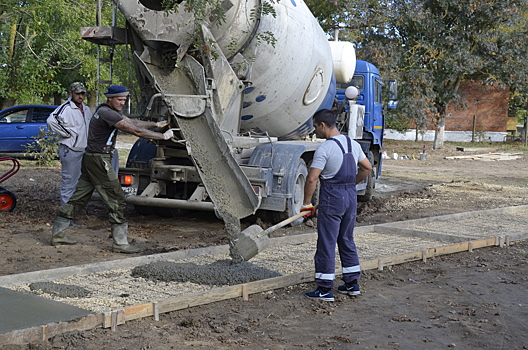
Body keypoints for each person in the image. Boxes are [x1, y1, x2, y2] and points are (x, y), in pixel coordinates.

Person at [50, 85, 173, 254]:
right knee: (116, 198)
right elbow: (134, 130)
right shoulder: (108, 113)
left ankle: (58, 233)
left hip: (91, 158)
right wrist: (163, 136)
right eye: (119, 100)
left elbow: (132, 122)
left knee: (79, 197)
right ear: (110, 98)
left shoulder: (105, 110)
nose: (122, 103)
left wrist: (156, 125)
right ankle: (120, 242)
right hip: (100, 160)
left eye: (124, 100)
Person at [302, 109, 372, 301]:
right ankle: (352, 283)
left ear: (322, 125)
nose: (315, 131)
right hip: (350, 197)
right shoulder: (353, 144)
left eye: (316, 127)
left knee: (327, 242)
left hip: (332, 198)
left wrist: (306, 204)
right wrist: (351, 185)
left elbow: (312, 179)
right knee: (346, 239)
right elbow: (367, 168)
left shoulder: (325, 149)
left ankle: (324, 288)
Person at [47, 82, 93, 206]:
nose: (80, 96)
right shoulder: (65, 108)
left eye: (82, 93)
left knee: (83, 182)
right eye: (78, 93)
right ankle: (65, 216)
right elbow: (51, 121)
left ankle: (73, 211)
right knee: (69, 183)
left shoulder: (86, 109)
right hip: (70, 149)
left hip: (84, 149)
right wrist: (66, 134)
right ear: (71, 93)